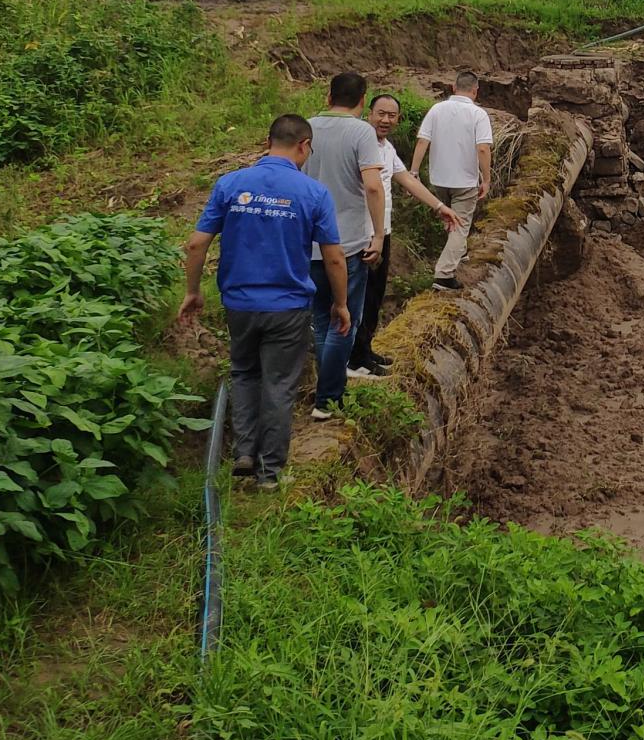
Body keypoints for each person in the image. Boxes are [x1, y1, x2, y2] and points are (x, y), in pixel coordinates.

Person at [179, 114, 351, 491]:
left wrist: (192, 292)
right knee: (279, 384)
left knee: (244, 373)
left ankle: (244, 452)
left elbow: (195, 244)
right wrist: (340, 303)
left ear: (268, 140)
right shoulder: (312, 193)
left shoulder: (230, 184)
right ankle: (270, 473)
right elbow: (334, 257)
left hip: (239, 304)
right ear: (304, 145)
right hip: (287, 307)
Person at [348, 93, 463, 376]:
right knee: (359, 297)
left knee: (374, 297)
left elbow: (406, 179)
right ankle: (353, 359)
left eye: (391, 115)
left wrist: (439, 206)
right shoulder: (360, 143)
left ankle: (365, 351)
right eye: (381, 114)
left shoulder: (386, 148)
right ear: (369, 113)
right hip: (363, 234)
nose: (385, 120)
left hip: (382, 232)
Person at [304, 72, 385, 419]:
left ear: (328, 96)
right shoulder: (362, 132)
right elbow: (372, 186)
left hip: (307, 244)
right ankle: (329, 398)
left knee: (322, 320)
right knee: (344, 321)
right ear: (363, 99)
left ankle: (327, 389)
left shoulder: (305, 127)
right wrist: (378, 235)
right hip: (347, 242)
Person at [411, 71, 493, 291]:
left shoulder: (436, 109)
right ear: (475, 91)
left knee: (449, 219)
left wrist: (414, 172)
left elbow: (422, 141)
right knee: (460, 225)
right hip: (465, 180)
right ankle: (444, 275)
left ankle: (459, 250)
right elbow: (483, 148)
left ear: (453, 87)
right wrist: (486, 178)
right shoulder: (478, 114)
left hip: (439, 178)